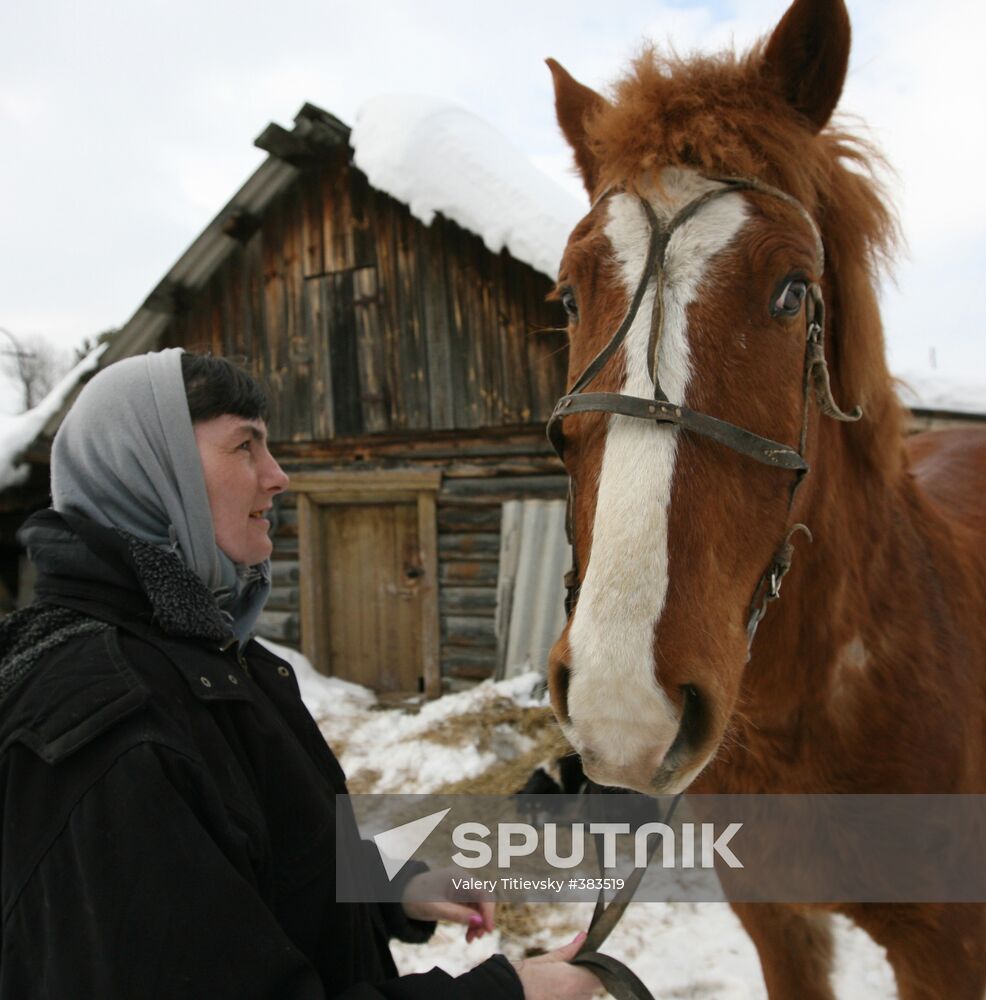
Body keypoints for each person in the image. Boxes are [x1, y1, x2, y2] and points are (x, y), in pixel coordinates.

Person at [0, 350, 599, 999]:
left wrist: (396, 890)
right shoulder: (112, 725)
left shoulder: (206, 657)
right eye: (245, 447)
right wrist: (504, 995)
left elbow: (264, 864)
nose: (278, 476)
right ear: (151, 470)